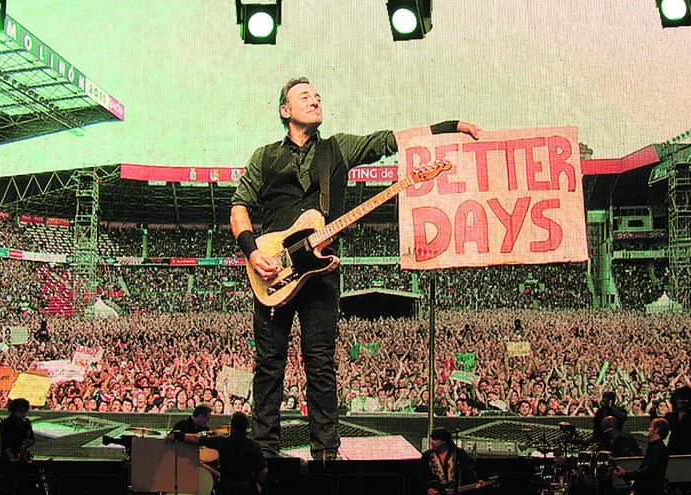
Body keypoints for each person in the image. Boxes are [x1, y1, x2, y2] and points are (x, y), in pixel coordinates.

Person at [230, 75, 482, 459]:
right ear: (285, 111)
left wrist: (451, 127)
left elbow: (392, 140)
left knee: (321, 364)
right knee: (268, 365)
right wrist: (252, 253)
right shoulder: (264, 156)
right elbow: (238, 207)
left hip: (321, 273)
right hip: (273, 272)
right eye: (304, 96)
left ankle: (326, 454)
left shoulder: (338, 149)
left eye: (317, 95)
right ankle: (265, 452)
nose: (315, 99)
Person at [177, 412, 267, 495]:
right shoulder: (255, 446)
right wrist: (258, 484)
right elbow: (264, 471)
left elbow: (198, 439)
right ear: (246, 427)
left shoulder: (223, 441)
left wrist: (178, 435)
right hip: (248, 489)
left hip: (227, 489)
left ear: (231, 425)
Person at [419, 427, 485, 495]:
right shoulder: (427, 456)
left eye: (435, 439)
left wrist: (475, 483)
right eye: (431, 438)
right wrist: (427, 489)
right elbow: (419, 477)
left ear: (444, 441)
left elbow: (469, 473)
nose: (431, 442)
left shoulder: (459, 454)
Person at [613, 418, 670, 495]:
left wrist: (626, 474)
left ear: (656, 430)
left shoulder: (658, 449)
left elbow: (648, 472)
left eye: (651, 427)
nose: (648, 429)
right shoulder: (656, 447)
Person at [658, 386, 691, 454]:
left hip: (689, 450)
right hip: (672, 449)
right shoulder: (671, 415)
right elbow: (659, 425)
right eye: (677, 399)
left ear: (688, 401)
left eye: (681, 399)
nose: (678, 401)